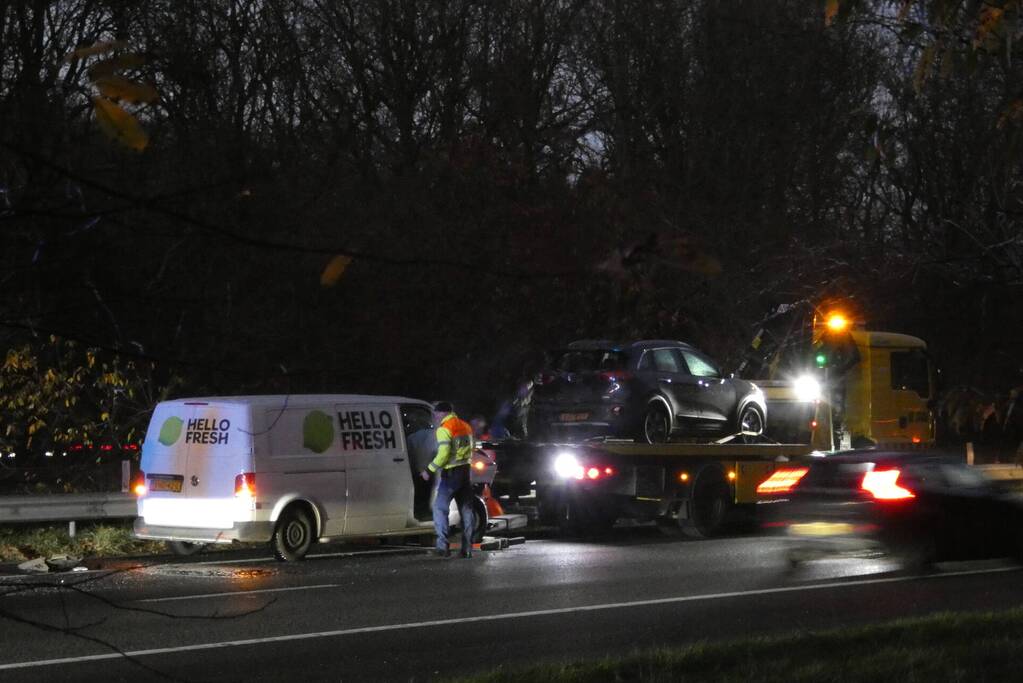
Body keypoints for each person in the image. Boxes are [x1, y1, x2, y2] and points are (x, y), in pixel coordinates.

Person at [420, 401, 475, 558]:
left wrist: (428, 470)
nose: (435, 417)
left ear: (442, 413)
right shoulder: (466, 426)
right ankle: (467, 549)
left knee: (439, 508)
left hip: (451, 474)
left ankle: (443, 547)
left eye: (436, 414)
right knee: (466, 510)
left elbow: (443, 454)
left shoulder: (444, 428)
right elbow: (471, 448)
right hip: (465, 471)